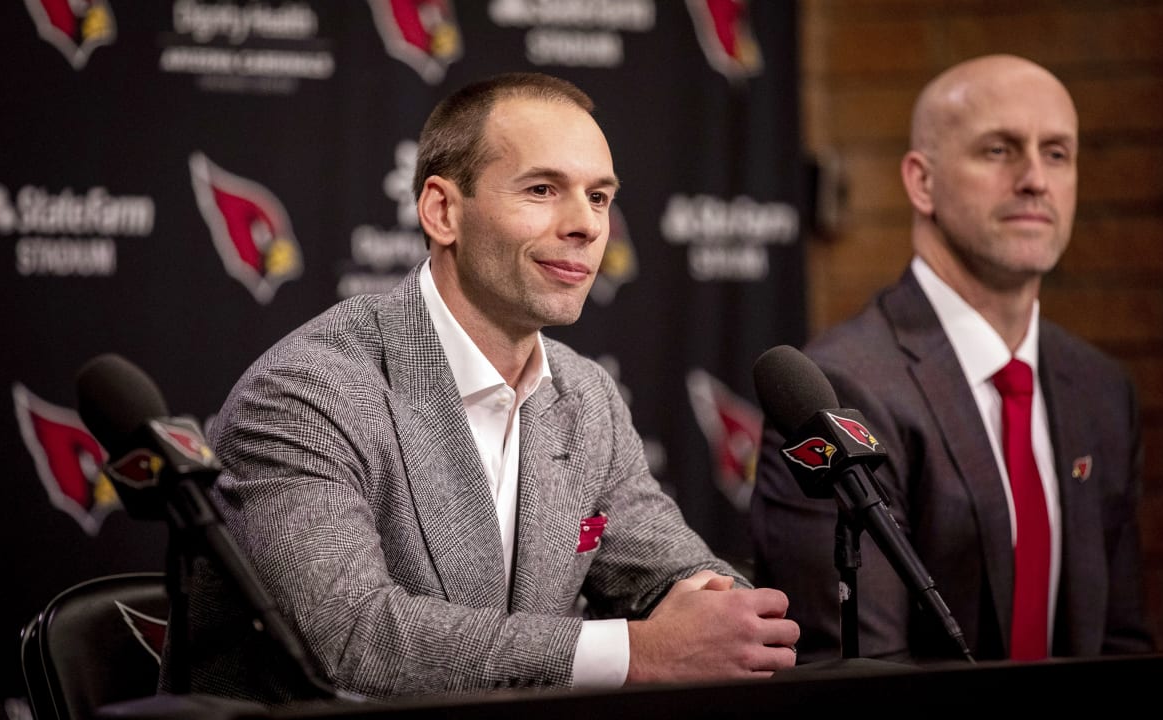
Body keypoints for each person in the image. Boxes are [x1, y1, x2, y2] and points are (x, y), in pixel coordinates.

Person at [173, 72, 798, 703]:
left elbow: (667, 572)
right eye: (543, 189)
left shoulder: (586, 397)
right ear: (443, 211)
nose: (586, 225)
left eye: (600, 197)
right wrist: (638, 652)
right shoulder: (309, 391)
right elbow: (353, 641)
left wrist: (719, 610)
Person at [750, 54, 1153, 664]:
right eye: (999, 150)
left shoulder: (1100, 388)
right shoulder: (842, 387)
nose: (1035, 179)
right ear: (921, 182)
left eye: (1057, 153)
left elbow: (1122, 639)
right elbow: (860, 674)